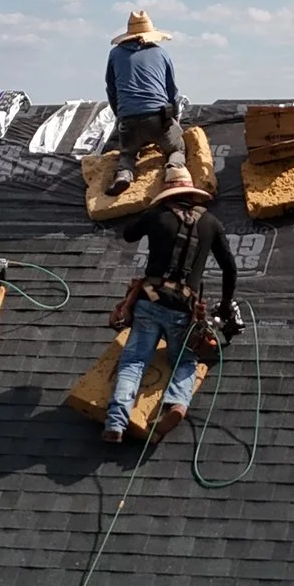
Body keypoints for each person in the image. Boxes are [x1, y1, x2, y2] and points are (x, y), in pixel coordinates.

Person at [103, 175, 240, 443]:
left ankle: (116, 423)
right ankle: (176, 403)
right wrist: (224, 305)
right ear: (194, 195)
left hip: (150, 301)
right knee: (185, 360)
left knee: (133, 361)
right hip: (182, 308)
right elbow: (230, 268)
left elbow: (129, 235)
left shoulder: (156, 215)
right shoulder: (211, 223)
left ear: (167, 194)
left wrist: (148, 215)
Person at [103, 9, 186, 196]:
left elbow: (111, 89)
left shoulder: (115, 54)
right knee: (177, 147)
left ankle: (124, 175)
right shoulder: (161, 53)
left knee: (128, 154)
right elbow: (172, 91)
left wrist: (121, 117)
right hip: (158, 117)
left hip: (128, 119)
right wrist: (173, 120)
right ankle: (173, 166)